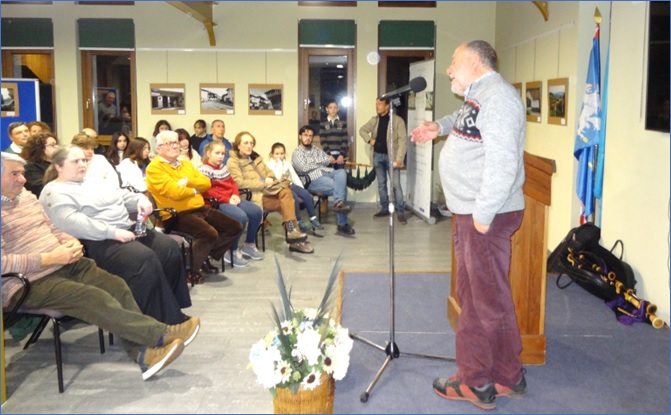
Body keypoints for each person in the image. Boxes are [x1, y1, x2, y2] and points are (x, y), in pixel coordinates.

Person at [1, 152, 199, 381]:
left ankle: (145, 353)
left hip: (66, 262)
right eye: (15, 174)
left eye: (23, 173)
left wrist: (68, 241)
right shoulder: (46, 194)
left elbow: (52, 229)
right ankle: (162, 333)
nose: (23, 180)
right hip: (25, 281)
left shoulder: (26, 198)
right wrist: (49, 258)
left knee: (116, 286)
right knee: (92, 296)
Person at [410, 40, 527, 410]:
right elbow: (468, 125)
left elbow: (503, 163)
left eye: (453, 62)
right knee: (483, 296)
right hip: (473, 214)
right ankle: (509, 375)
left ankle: (476, 381)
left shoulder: (500, 98)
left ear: (475, 62)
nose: (448, 69)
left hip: (484, 218)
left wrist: (482, 214)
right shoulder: (480, 96)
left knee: (480, 302)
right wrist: (437, 126)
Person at [40, 145, 193, 326]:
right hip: (96, 239)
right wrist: (111, 232)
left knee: (168, 248)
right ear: (58, 166)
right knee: (143, 258)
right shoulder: (54, 192)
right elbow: (71, 223)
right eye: (75, 161)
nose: (82, 164)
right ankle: (158, 321)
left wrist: (139, 199)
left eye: (84, 160)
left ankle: (170, 308)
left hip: (125, 228)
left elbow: (121, 196)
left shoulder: (94, 180)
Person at [146, 130, 243, 284]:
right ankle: (191, 270)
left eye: (176, 142)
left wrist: (186, 182)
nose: (175, 146)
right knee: (208, 234)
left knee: (235, 226)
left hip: (200, 208)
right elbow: (174, 191)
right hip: (176, 214)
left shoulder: (185, 163)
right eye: (169, 143)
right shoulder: (154, 168)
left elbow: (206, 183)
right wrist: (194, 189)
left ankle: (201, 257)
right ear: (158, 148)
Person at [226, 131, 313, 254]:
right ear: (238, 145)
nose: (249, 146)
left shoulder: (256, 158)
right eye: (245, 143)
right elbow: (238, 183)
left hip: (265, 192)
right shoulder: (233, 161)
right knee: (288, 199)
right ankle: (295, 239)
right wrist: (262, 184)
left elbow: (269, 172)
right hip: (250, 196)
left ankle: (293, 233)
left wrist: (270, 178)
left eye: (251, 143)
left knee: (287, 194)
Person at [199, 140, 264, 267]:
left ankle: (249, 244)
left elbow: (232, 183)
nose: (221, 156)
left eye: (223, 154)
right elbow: (207, 192)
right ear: (208, 153)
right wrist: (227, 199)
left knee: (256, 211)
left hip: (230, 198)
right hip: (216, 203)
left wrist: (235, 194)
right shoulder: (203, 170)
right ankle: (230, 250)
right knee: (241, 217)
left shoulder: (223, 167)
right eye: (217, 153)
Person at [292, 125, 355, 236]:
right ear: (299, 137)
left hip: (326, 172)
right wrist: (321, 161)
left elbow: (328, 160)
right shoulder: (297, 153)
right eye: (305, 135)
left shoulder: (316, 149)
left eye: (310, 136)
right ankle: (342, 223)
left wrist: (316, 162)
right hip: (312, 179)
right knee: (339, 187)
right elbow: (303, 168)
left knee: (341, 173)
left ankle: (338, 204)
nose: (308, 138)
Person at [359, 97, 408, 224]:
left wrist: (399, 159)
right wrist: (369, 140)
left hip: (392, 158)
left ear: (387, 106)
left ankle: (400, 211)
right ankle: (384, 208)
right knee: (381, 184)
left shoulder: (398, 121)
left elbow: (403, 141)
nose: (377, 106)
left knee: (396, 185)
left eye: (380, 104)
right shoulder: (375, 120)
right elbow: (362, 130)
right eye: (376, 103)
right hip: (377, 156)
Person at [267, 142, 322, 233]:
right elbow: (278, 177)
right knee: (294, 198)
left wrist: (301, 189)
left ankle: (313, 218)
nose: (279, 156)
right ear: (272, 154)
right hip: (280, 187)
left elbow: (294, 177)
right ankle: (299, 221)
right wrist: (279, 164)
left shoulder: (287, 164)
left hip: (290, 184)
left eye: (282, 154)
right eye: (277, 154)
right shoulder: (270, 165)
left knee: (305, 193)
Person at [20, 131, 59, 197]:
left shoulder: (58, 164)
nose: (57, 147)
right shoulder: (30, 167)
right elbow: (40, 187)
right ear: (40, 148)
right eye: (52, 145)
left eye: (56, 144)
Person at [318, 100, 348, 169]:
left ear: (338, 109)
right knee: (328, 176)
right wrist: (329, 155)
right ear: (327, 109)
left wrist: (341, 155)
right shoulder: (323, 123)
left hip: (340, 156)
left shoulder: (342, 122)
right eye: (330, 107)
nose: (333, 110)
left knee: (340, 175)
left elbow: (345, 139)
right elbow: (323, 140)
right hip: (328, 156)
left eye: (335, 107)